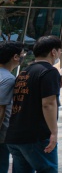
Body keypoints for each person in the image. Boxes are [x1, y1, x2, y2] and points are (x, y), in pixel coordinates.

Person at [6, 36, 62, 173]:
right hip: (36, 136)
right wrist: (54, 133)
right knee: (48, 170)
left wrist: (56, 87)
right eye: (59, 50)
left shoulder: (24, 72)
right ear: (53, 52)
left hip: (15, 134)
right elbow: (48, 104)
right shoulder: (49, 71)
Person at [0, 41, 24, 171]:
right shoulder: (8, 79)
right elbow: (1, 108)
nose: (23, 56)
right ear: (15, 57)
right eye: (22, 54)